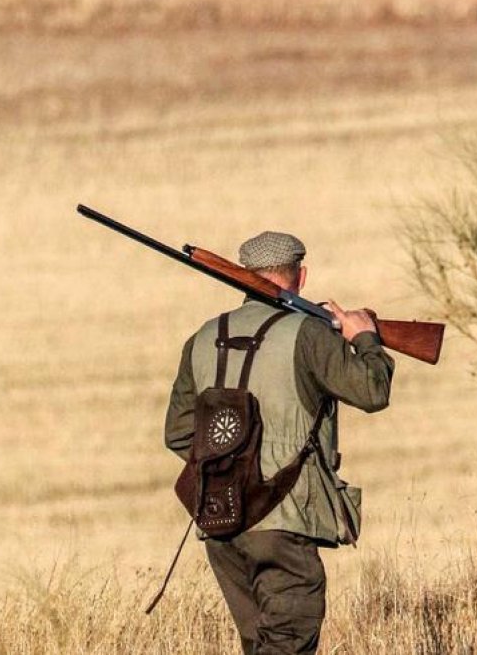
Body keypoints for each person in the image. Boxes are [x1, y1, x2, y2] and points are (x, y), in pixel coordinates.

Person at [163, 231, 394, 655]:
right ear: (300, 277)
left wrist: (229, 467)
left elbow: (178, 433)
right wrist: (364, 337)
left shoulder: (203, 337)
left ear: (242, 275)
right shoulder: (309, 334)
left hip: (221, 522)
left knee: (261, 645)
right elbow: (372, 390)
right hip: (283, 519)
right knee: (288, 640)